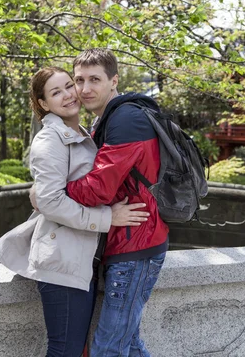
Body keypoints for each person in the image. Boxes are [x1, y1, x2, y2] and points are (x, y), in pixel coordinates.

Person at [0, 66, 150, 357]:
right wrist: (108, 218)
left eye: (68, 85)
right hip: (62, 261)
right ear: (42, 103)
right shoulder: (50, 139)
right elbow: (50, 201)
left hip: (81, 258)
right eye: (55, 92)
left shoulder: (82, 133)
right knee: (66, 351)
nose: (67, 95)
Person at [66, 48, 169, 356]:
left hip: (136, 247)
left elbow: (98, 189)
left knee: (108, 349)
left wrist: (54, 191)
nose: (85, 89)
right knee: (129, 344)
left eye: (94, 79)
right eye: (79, 80)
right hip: (132, 243)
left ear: (114, 81)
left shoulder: (126, 119)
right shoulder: (112, 118)